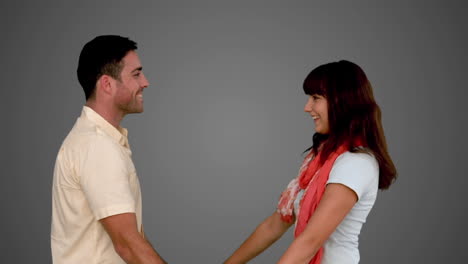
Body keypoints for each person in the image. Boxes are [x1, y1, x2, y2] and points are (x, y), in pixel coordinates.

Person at [224, 60, 397, 264]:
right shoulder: (319, 163)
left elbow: (310, 241)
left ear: (342, 101)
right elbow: (274, 225)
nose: (308, 107)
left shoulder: (355, 163)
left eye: (316, 98)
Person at [51, 35, 167, 264]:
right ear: (107, 84)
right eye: (136, 74)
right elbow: (128, 246)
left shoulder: (100, 142)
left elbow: (132, 239)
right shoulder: (97, 146)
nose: (145, 82)